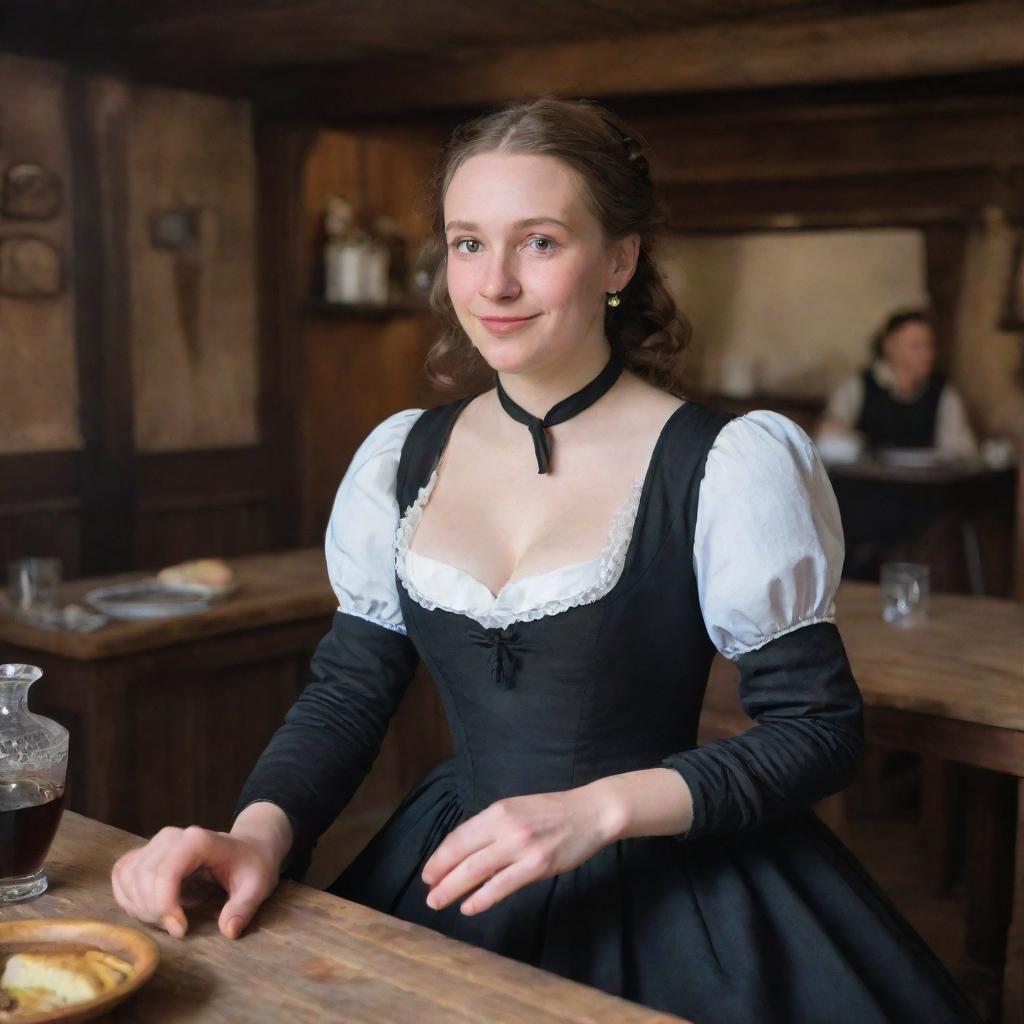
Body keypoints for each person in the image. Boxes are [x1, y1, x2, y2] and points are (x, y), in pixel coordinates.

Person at [111, 99, 981, 1023]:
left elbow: (818, 729)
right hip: (458, 869)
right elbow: (349, 690)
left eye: (539, 242)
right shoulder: (402, 457)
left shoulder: (726, 464)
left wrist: (598, 811)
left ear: (620, 257)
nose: (494, 284)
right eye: (468, 243)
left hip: (675, 883)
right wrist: (258, 836)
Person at [815, 309, 978, 458]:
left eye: (929, 346)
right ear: (889, 347)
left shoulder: (943, 393)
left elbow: (962, 452)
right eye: (916, 346)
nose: (926, 354)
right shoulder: (859, 386)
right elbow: (829, 433)